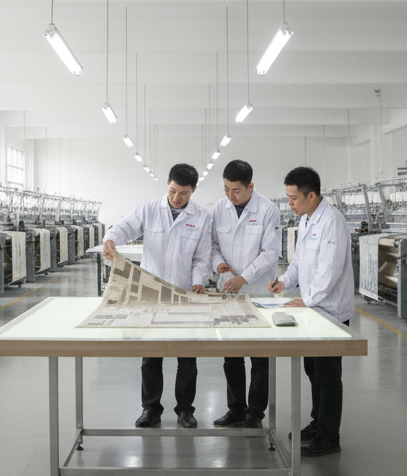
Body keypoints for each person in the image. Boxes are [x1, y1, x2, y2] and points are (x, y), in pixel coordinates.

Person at [103, 163, 212, 429]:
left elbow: (201, 257)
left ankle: (185, 410)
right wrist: (111, 239)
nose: (177, 197)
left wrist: (198, 281)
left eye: (183, 193)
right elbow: (124, 228)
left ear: (194, 190)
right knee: (151, 355)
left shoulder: (201, 217)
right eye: (173, 191)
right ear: (167, 184)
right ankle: (150, 409)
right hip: (151, 293)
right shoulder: (149, 209)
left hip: (183, 292)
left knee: (187, 357)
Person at [268, 166, 355, 457]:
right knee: (313, 371)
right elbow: (298, 262)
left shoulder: (332, 222)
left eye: (293, 198)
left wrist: (306, 300)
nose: (290, 203)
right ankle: (318, 424)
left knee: (328, 376)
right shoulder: (306, 221)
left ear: (312, 195)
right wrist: (284, 282)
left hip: (331, 310)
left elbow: (330, 270)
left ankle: (329, 437)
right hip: (313, 309)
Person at [208, 159, 281, 429]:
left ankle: (255, 414)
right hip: (228, 290)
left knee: (260, 357)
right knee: (232, 355)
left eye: (236, 190)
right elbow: (212, 245)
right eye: (226, 189)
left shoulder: (268, 210)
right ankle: (236, 409)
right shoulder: (219, 208)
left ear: (250, 186)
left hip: (258, 291)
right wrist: (219, 265)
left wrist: (244, 278)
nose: (230, 196)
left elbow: (270, 253)